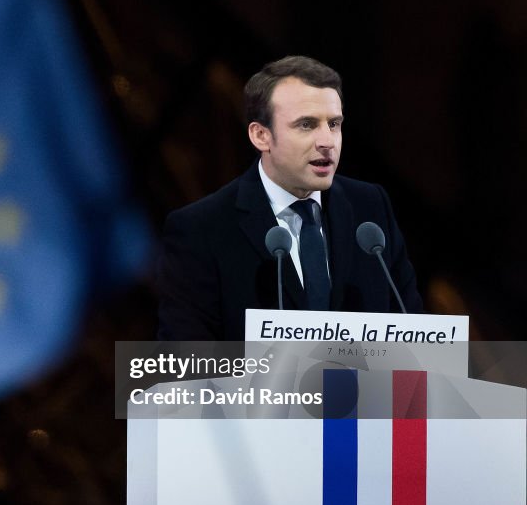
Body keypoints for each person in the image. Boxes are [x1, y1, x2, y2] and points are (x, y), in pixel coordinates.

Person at [157, 55, 423, 341]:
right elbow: (184, 365)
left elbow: (414, 337)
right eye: (307, 125)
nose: (327, 141)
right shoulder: (201, 229)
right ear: (261, 136)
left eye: (334, 124)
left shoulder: (370, 207)